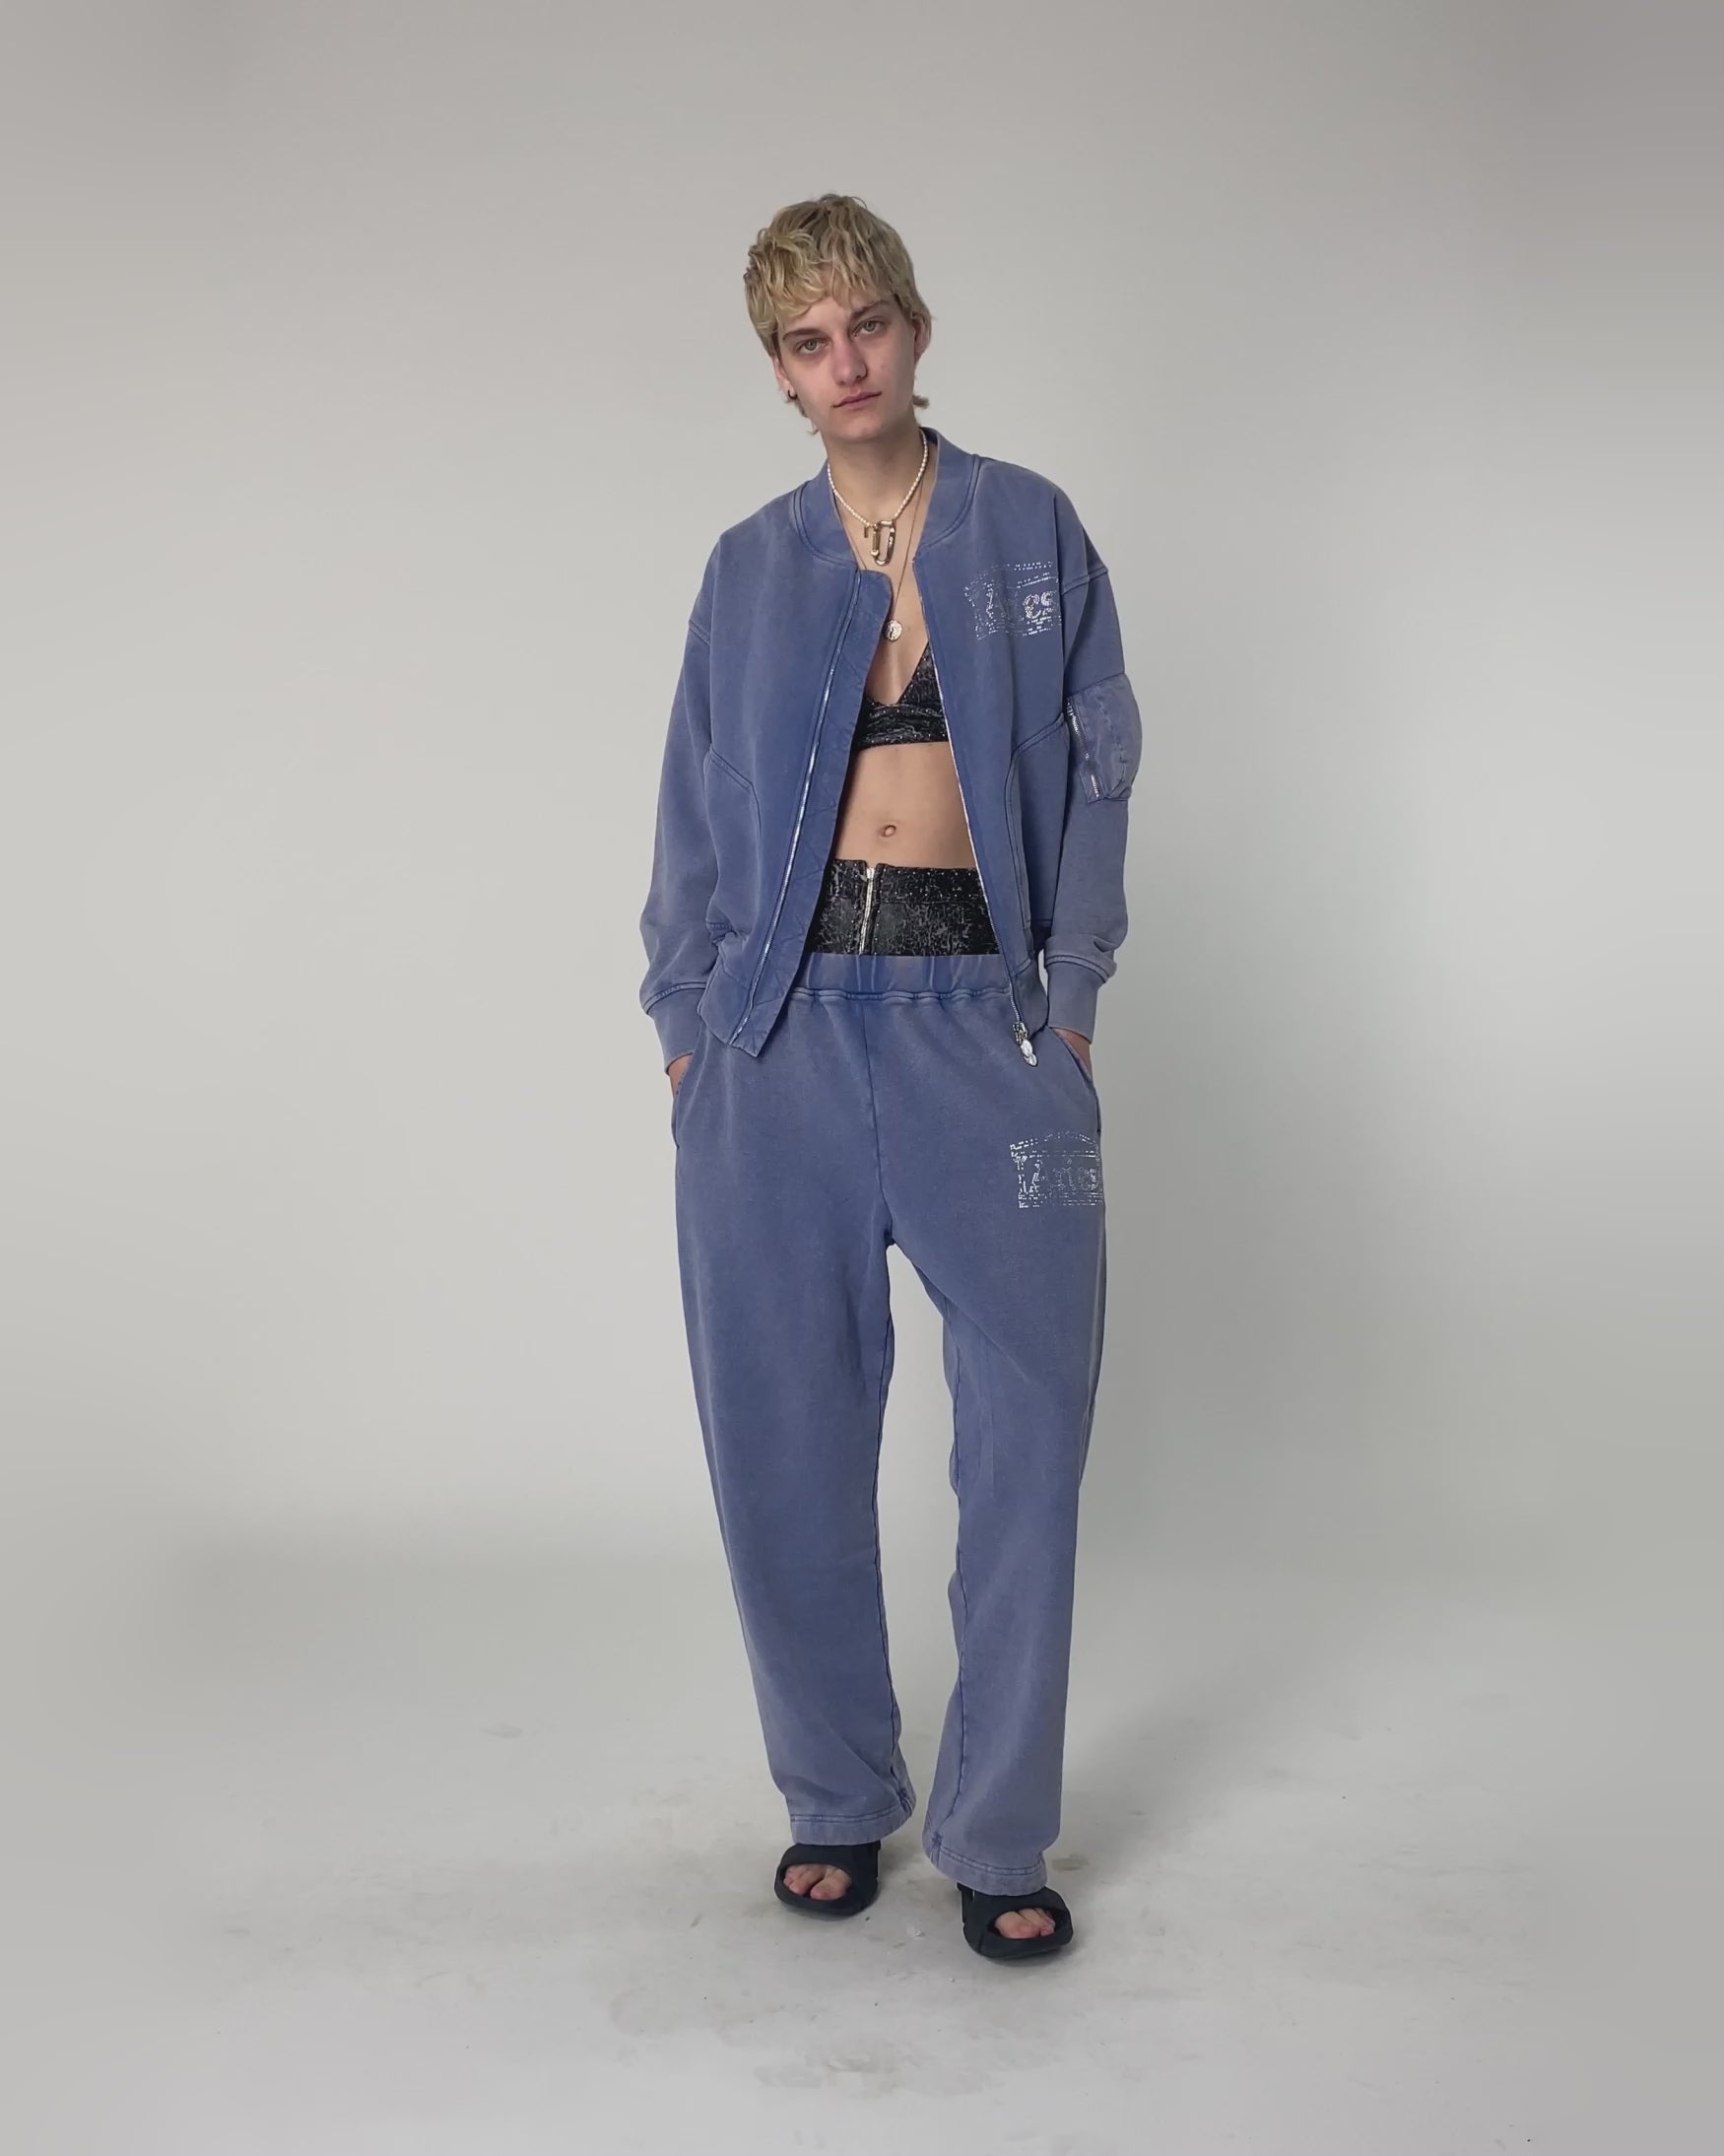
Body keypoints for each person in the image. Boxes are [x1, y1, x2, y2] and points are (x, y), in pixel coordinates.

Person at [636, 193, 1141, 1963]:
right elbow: (692, 797)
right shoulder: (748, 566)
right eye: (806, 341)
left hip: (979, 1029)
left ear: (914, 330)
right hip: (775, 1033)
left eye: (865, 324)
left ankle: (996, 1827)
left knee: (1026, 1441)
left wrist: (1069, 1000)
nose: (842, 361)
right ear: (779, 375)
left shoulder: (1027, 525)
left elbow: (1099, 763)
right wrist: (685, 1019)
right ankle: (836, 1798)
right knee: (780, 1433)